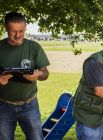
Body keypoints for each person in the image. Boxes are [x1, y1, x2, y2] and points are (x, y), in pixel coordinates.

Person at [0, 11, 50, 140]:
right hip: (3, 106)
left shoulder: (34, 47)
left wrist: (39, 74)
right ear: (6, 28)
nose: (17, 35)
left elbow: (45, 73)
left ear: (25, 27)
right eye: (13, 31)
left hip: (30, 105)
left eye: (21, 31)